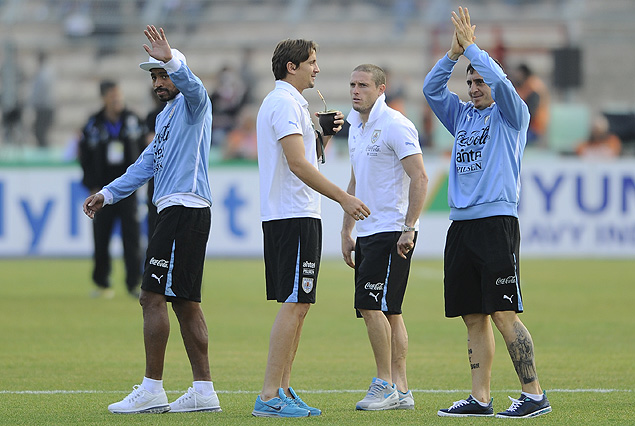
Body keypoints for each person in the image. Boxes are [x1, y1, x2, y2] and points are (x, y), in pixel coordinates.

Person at [83, 25, 221, 415]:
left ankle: (152, 388)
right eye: (155, 75)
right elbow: (145, 165)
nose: (159, 81)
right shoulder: (164, 119)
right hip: (176, 211)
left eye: (163, 74)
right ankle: (203, 390)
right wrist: (107, 193)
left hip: (183, 209)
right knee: (185, 303)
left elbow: (195, 87)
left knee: (151, 296)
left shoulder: (195, 105)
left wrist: (171, 59)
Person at [423, 7, 552, 419]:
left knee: (503, 311)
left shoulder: (512, 115)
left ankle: (534, 394)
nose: (475, 87)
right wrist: (453, 53)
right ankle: (480, 399)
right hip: (461, 225)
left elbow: (498, 78)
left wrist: (475, 51)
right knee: (472, 314)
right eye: (470, 81)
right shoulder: (461, 115)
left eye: (480, 81)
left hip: (496, 222)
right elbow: (430, 89)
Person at [254, 38, 370, 418]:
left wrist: (325, 134)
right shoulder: (285, 104)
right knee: (294, 304)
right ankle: (270, 394)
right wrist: (344, 199)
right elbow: (298, 165)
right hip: (292, 214)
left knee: (300, 305)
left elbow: (310, 157)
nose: (316, 69)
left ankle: (283, 389)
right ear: (292, 66)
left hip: (296, 213)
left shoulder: (292, 105)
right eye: (312, 62)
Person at [341, 64, 428, 411]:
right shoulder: (355, 128)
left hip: (392, 230)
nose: (355, 90)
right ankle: (401, 389)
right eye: (352, 84)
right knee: (390, 311)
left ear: (381, 89)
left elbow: (420, 177)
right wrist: (346, 230)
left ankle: (385, 383)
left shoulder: (395, 124)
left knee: (370, 305)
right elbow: (354, 182)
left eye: (363, 85)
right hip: (368, 230)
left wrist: (409, 227)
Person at [78, 80, 143, 299]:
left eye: (119, 95)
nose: (117, 99)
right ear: (104, 97)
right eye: (113, 96)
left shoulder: (133, 120)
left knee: (132, 238)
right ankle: (102, 282)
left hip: (128, 190)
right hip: (102, 191)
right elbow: (84, 156)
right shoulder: (93, 124)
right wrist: (91, 184)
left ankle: (135, 283)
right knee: (101, 237)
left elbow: (147, 151)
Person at [512, 63, 549, 146]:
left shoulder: (533, 89)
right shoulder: (530, 85)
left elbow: (530, 112)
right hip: (532, 126)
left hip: (534, 128)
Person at [30, 51, 55, 148]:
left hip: (45, 106)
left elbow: (41, 91)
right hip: (43, 106)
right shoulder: (43, 71)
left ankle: (44, 148)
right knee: (38, 131)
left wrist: (33, 103)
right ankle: (43, 147)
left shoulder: (45, 72)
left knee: (40, 131)